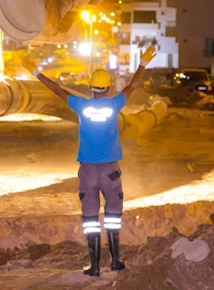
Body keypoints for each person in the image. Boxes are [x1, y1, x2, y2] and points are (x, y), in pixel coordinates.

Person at [22, 45, 156, 277]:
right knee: (113, 217)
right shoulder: (115, 105)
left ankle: (94, 266)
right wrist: (142, 63)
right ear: (108, 87)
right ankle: (115, 261)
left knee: (91, 219)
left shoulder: (81, 106)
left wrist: (36, 72)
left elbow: (57, 90)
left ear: (90, 86)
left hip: (88, 172)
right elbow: (132, 85)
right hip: (110, 171)